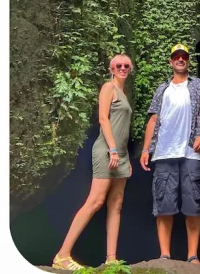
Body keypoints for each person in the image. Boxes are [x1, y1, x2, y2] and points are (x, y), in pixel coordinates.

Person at [53, 54, 135, 271]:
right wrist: (113, 150)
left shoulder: (123, 93)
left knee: (116, 204)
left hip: (122, 155)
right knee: (95, 201)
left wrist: (124, 156)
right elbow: (103, 119)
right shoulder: (109, 88)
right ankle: (62, 255)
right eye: (118, 65)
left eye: (126, 65)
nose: (123, 67)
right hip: (108, 151)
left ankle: (111, 258)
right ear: (111, 68)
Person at [139, 43, 200, 265]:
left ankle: (193, 256)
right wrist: (146, 149)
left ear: (188, 61)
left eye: (184, 56)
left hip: (191, 152)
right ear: (170, 62)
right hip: (164, 152)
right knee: (164, 203)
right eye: (176, 57)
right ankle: (165, 255)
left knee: (193, 203)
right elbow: (153, 120)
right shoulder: (161, 89)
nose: (180, 59)